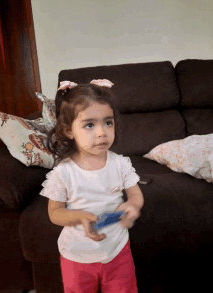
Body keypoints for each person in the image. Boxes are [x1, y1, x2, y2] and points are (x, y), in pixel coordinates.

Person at [40, 79, 144, 293]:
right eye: (89, 124)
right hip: (76, 258)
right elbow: (55, 213)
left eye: (108, 122)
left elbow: (135, 194)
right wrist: (80, 216)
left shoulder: (120, 164)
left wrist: (133, 206)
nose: (101, 132)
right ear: (69, 131)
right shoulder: (64, 172)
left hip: (117, 252)